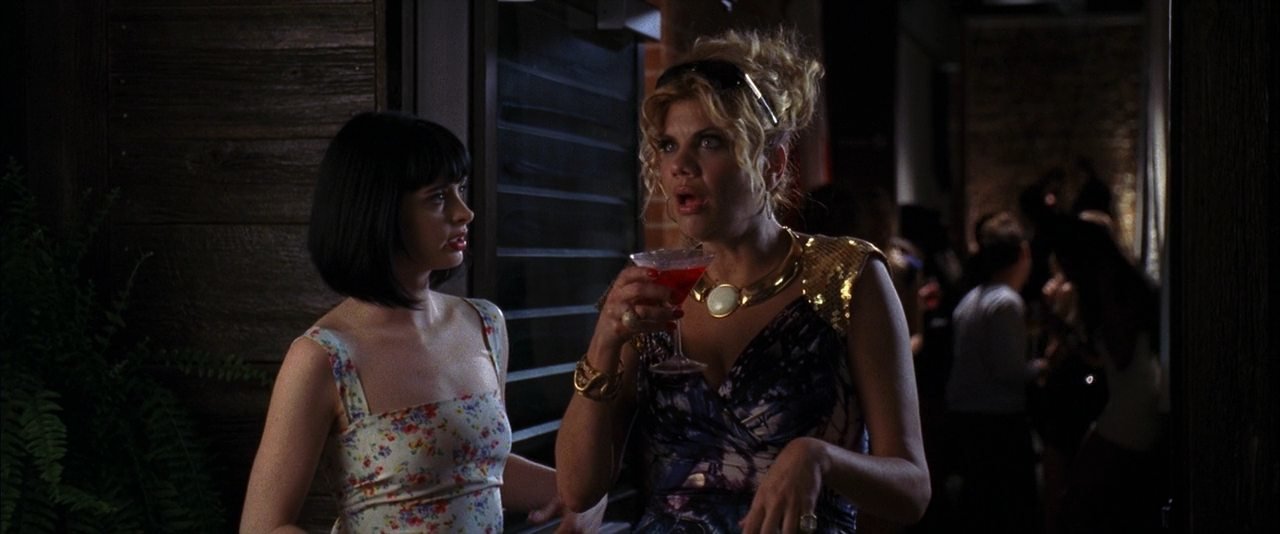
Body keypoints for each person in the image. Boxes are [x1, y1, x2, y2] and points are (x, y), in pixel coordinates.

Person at [555, 29, 930, 533]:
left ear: (772, 163)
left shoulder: (847, 275)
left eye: (709, 142)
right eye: (668, 145)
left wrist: (820, 458)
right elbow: (577, 489)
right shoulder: (649, 293)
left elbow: (912, 490)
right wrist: (603, 343)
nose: (680, 165)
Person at [240, 112, 602, 533]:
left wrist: (581, 496)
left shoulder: (484, 324)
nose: (465, 212)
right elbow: (262, 527)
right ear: (379, 210)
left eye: (460, 190)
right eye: (437, 198)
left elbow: (472, 465)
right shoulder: (325, 357)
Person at [1042, 214, 1167, 534]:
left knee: (1079, 500)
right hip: (1134, 401)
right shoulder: (1120, 284)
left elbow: (1120, 356)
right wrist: (1068, 334)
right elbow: (1102, 359)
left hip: (1132, 407)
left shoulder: (1111, 290)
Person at [944, 211, 1046, 534]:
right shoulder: (1006, 303)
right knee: (1007, 511)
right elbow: (1008, 370)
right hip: (997, 422)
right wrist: (1043, 366)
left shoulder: (971, 299)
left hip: (967, 416)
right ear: (1023, 254)